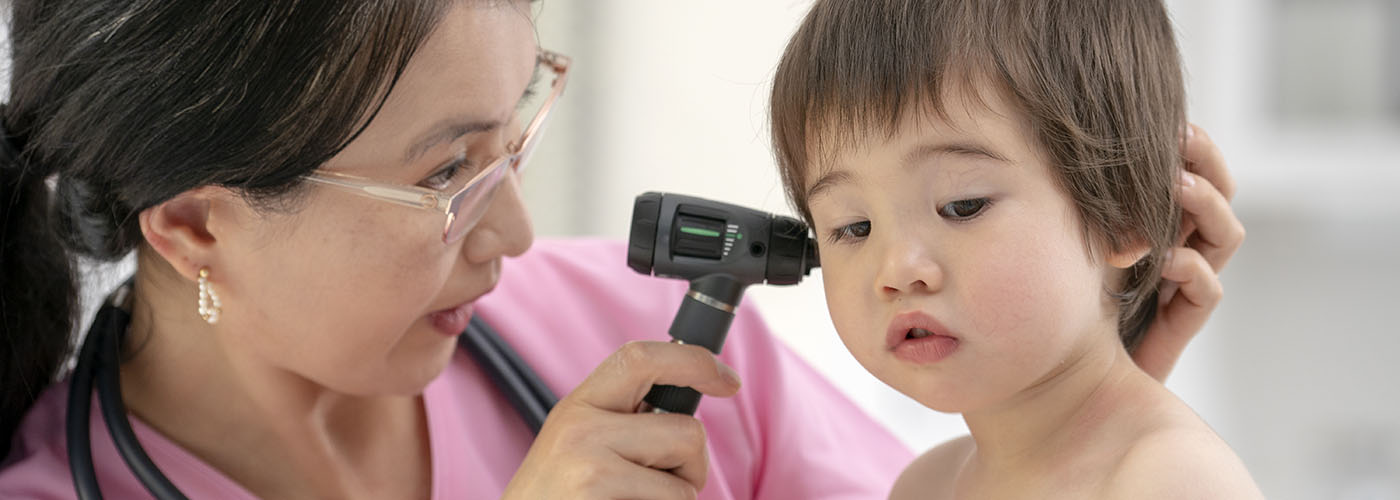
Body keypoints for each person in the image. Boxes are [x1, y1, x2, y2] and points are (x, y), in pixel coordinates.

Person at [0, 1, 1241, 498]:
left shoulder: (647, 341)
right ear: (197, 225)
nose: (520, 235)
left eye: (513, 134)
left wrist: (1074, 387)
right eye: (445, 174)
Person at [768, 0, 1259, 498]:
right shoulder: (924, 485)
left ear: (1124, 212)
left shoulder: (1170, 478)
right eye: (854, 227)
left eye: (962, 206)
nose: (895, 270)